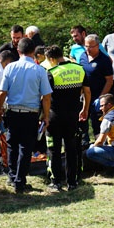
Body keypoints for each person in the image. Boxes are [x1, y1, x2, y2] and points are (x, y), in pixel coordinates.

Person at [0, 38, 52, 194]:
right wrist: (46, 116)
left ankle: (12, 177)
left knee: (12, 145)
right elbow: (46, 97)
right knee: (25, 148)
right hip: (30, 114)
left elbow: (2, 92)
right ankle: (20, 181)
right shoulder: (40, 70)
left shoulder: (10, 68)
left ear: (18, 51)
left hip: (12, 112)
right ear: (33, 52)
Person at [45, 45, 90, 191]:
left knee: (54, 149)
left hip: (55, 116)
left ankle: (56, 182)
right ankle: (72, 181)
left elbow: (46, 97)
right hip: (73, 116)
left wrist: (44, 116)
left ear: (51, 59)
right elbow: (87, 92)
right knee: (72, 149)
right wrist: (85, 109)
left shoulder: (51, 72)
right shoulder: (79, 69)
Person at [80, 34, 113, 143]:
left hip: (97, 96)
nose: (88, 49)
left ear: (98, 46)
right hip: (84, 96)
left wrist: (101, 98)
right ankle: (84, 143)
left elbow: (109, 80)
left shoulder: (104, 60)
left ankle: (99, 143)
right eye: (86, 46)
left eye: (91, 46)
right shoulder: (82, 56)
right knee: (82, 120)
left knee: (97, 122)